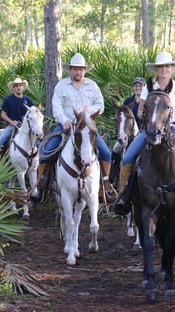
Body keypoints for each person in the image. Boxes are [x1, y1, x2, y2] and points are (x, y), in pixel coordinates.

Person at [112, 52, 175, 215]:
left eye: (167, 66)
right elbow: (139, 112)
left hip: (172, 131)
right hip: (149, 131)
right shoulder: (148, 88)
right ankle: (123, 197)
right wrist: (150, 118)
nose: (164, 69)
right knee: (127, 158)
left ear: (172, 68)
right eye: (161, 67)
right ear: (156, 70)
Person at [30, 53, 116, 203]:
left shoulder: (92, 86)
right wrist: (64, 120)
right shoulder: (61, 85)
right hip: (65, 127)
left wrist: (88, 110)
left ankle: (104, 187)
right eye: (75, 69)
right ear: (70, 69)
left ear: (85, 70)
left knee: (106, 153)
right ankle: (41, 186)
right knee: (46, 151)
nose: (78, 72)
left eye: (81, 69)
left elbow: (100, 106)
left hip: (86, 128)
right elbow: (56, 106)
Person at [109, 77, 145, 184]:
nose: (137, 88)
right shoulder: (128, 101)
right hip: (127, 132)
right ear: (133, 87)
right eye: (136, 86)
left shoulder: (146, 101)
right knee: (116, 148)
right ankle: (112, 173)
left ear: (143, 88)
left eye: (140, 86)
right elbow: (122, 117)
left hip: (142, 131)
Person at [0, 77, 34, 154]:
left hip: (25, 126)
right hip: (12, 126)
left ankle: (40, 162)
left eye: (20, 85)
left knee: (38, 143)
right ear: (14, 88)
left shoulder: (28, 100)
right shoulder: (8, 100)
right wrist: (11, 122)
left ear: (23, 87)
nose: (19, 87)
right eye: (16, 86)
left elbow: (32, 114)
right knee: (0, 141)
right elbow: (3, 114)